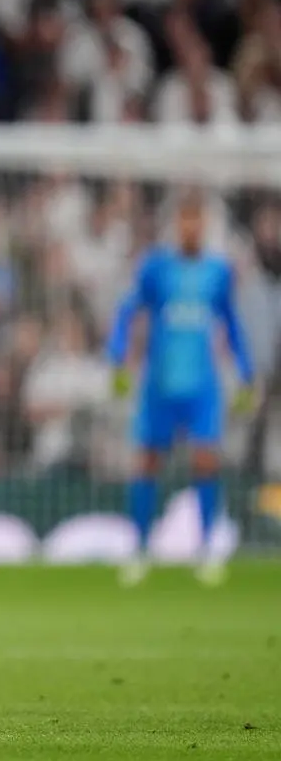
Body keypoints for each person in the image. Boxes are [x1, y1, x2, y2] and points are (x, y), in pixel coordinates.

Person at [108, 191, 255, 587]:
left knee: (206, 461)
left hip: (202, 385)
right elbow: (128, 311)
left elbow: (231, 324)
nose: (191, 228)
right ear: (177, 226)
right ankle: (140, 550)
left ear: (205, 225)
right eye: (185, 220)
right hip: (159, 383)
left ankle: (207, 549)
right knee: (146, 462)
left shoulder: (218, 272)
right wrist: (118, 356)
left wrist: (246, 370)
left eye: (197, 220)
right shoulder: (156, 269)